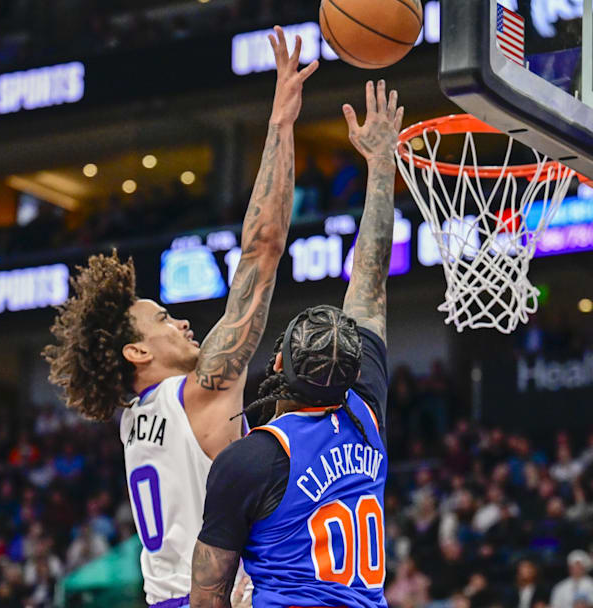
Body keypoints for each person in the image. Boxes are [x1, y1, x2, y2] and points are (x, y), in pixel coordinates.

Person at [41, 26, 317, 607]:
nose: (183, 323)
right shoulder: (200, 393)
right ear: (135, 353)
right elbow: (260, 251)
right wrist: (280, 125)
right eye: (162, 318)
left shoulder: (131, 419)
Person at [189, 79, 403, 608]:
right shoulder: (365, 413)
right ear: (356, 373)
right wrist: (381, 165)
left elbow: (208, 592)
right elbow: (370, 281)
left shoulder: (251, 459)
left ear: (279, 362)